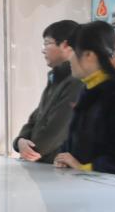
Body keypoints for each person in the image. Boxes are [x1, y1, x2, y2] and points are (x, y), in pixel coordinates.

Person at [54, 21, 115, 179]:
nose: (69, 59)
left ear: (89, 55)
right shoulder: (90, 89)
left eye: (72, 51)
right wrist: (64, 158)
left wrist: (83, 168)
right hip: (91, 189)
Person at [13, 20, 83, 164]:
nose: (43, 50)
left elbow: (56, 131)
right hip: (45, 167)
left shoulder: (77, 82)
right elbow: (35, 118)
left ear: (65, 45)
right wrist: (20, 141)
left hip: (63, 171)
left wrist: (30, 150)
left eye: (47, 43)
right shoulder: (55, 78)